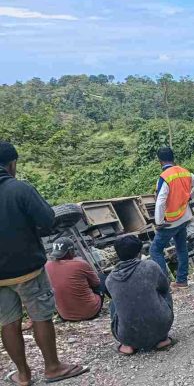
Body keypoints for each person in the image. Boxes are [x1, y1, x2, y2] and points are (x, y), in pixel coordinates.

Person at [0, 142, 89, 385]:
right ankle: (52, 367)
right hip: (27, 268)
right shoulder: (20, 189)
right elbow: (49, 221)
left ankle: (23, 375)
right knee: (40, 316)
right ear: (12, 164)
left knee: (8, 322)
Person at [106, 235, 175, 355]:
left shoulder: (110, 279)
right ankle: (162, 340)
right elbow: (164, 287)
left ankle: (128, 345)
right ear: (139, 253)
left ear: (118, 255)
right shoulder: (150, 266)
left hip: (126, 335)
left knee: (114, 303)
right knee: (163, 291)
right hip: (161, 327)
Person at [150, 146, 194, 289]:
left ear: (160, 161)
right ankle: (182, 280)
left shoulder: (164, 177)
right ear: (173, 158)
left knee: (155, 250)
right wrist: (190, 196)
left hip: (170, 222)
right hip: (184, 217)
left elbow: (160, 201)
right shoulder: (185, 172)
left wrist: (159, 221)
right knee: (181, 248)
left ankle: (165, 285)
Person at [44, 237, 105, 321]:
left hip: (65, 315)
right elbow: (96, 283)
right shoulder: (80, 264)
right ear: (71, 251)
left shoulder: (47, 266)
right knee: (102, 277)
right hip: (90, 313)